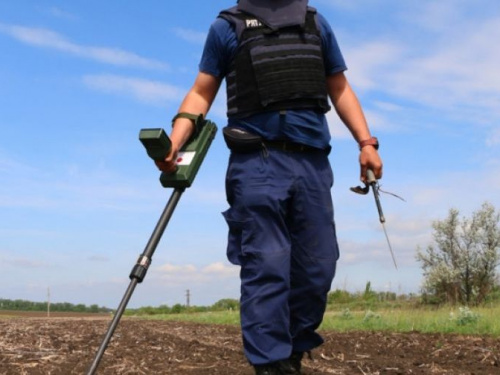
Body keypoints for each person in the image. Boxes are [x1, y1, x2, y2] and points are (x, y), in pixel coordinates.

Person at [156, 0, 383, 374]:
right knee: (267, 266)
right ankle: (271, 363)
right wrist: (176, 142)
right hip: (256, 162)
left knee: (318, 268)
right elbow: (201, 92)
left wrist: (366, 144)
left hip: (311, 162)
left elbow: (339, 87)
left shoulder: (315, 24)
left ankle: (291, 351)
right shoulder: (226, 28)